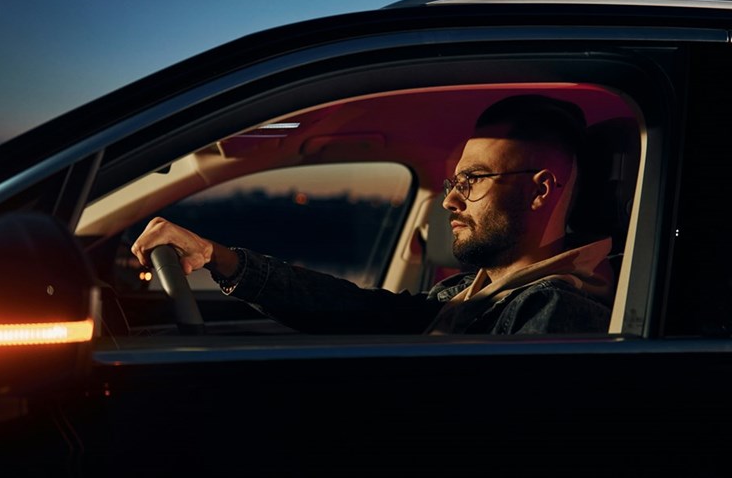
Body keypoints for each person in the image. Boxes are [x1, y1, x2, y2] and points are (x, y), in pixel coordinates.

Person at [131, 94, 615, 335]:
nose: (449, 201)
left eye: (473, 180)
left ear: (539, 191)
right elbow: (357, 310)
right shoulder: (468, 294)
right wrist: (218, 257)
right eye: (452, 183)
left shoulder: (554, 311)